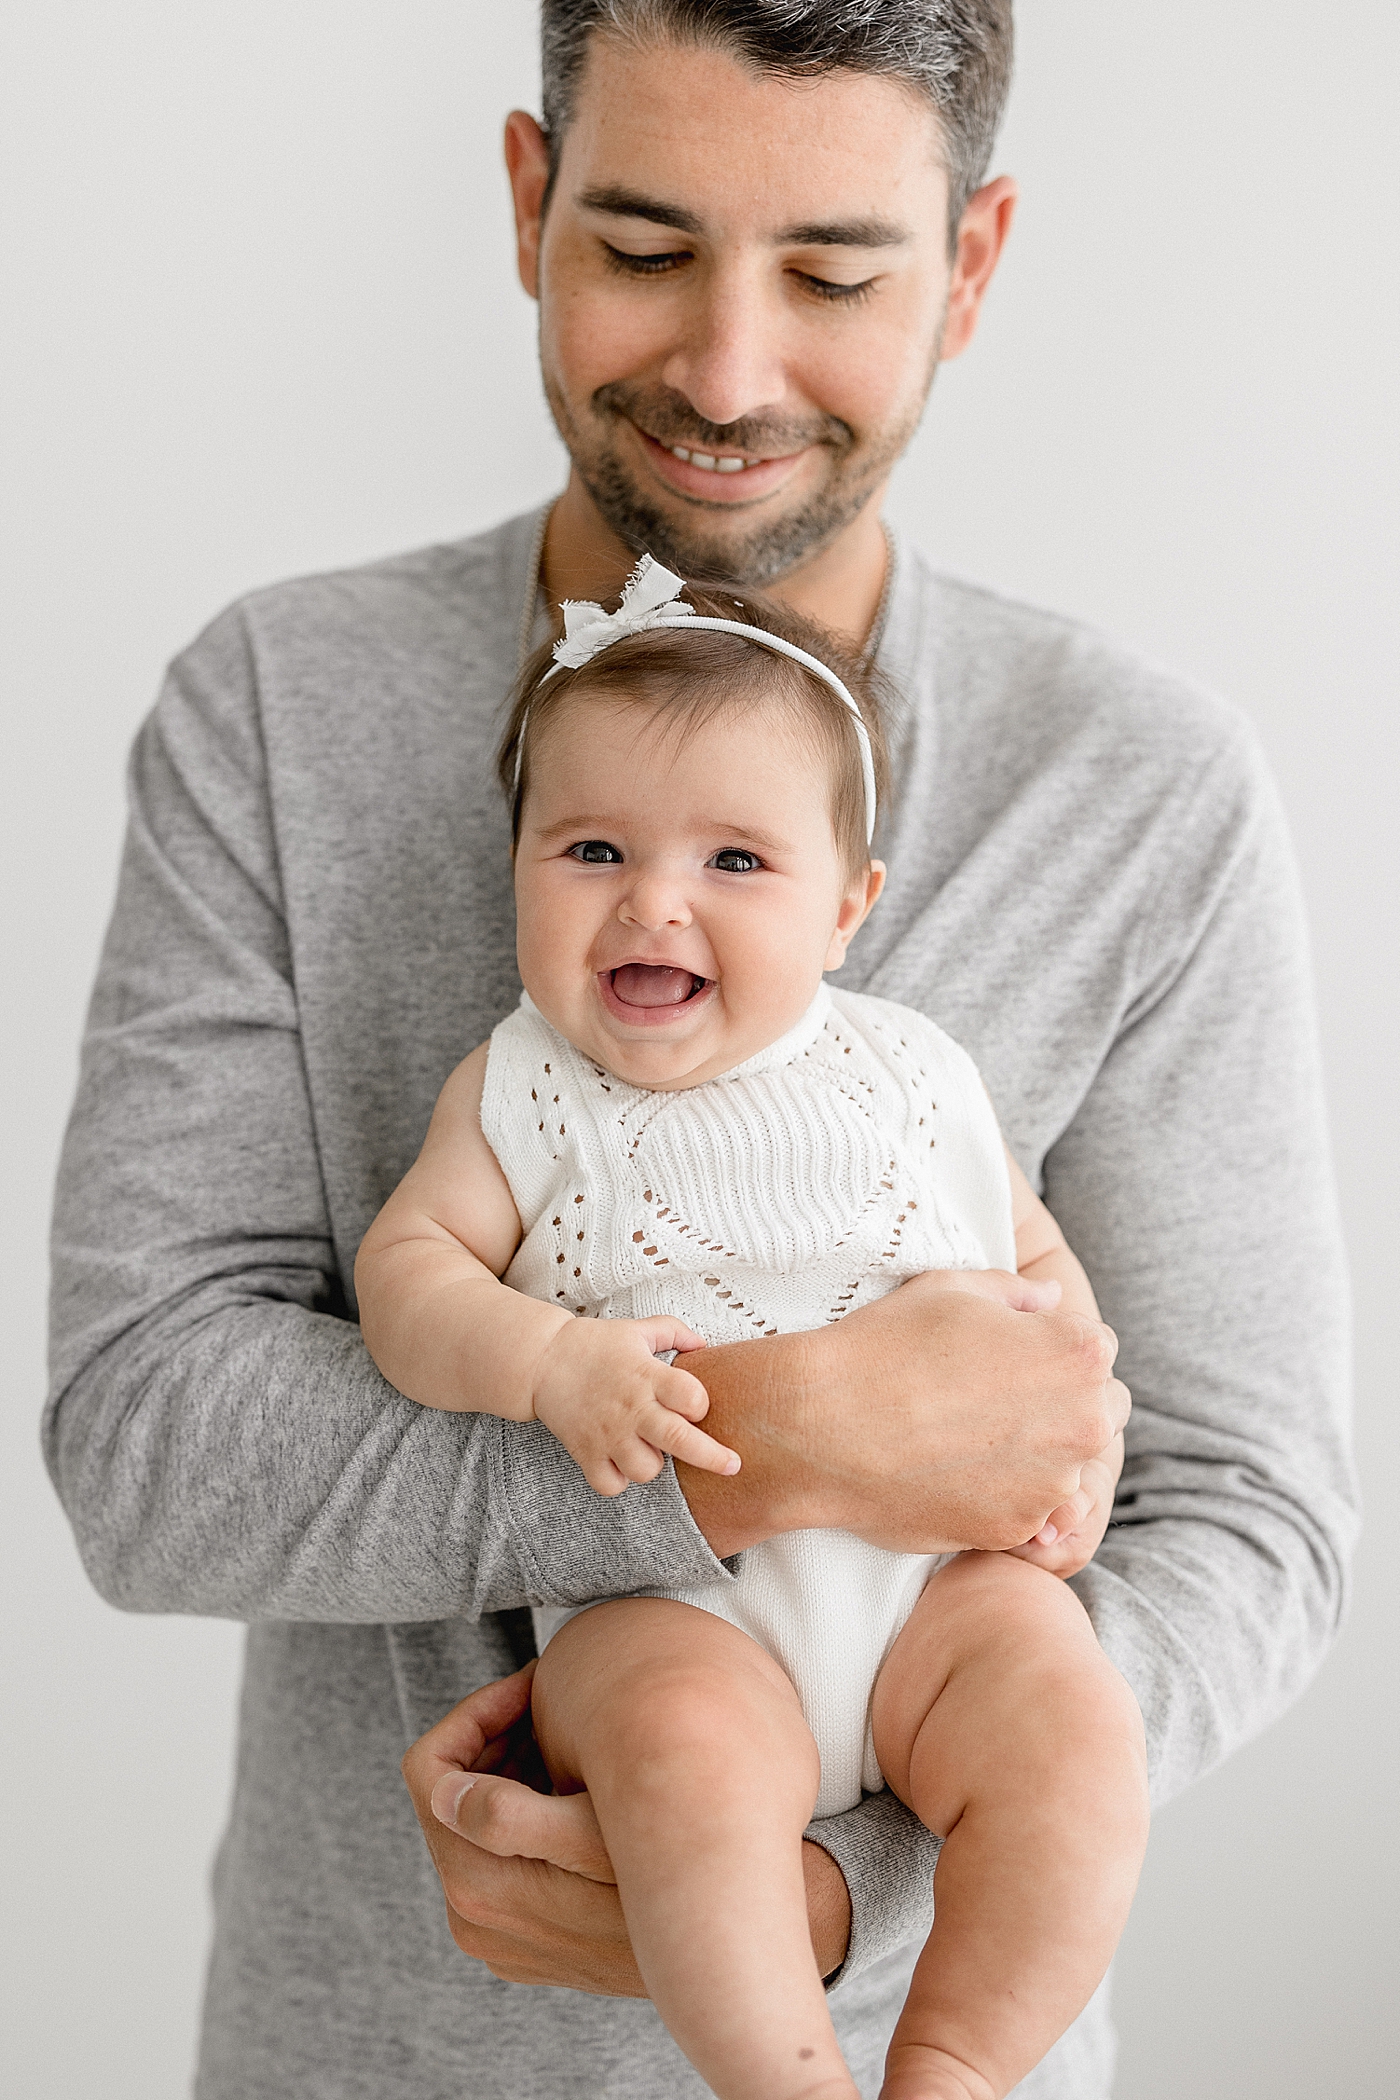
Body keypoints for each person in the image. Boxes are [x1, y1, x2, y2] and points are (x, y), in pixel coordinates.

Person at [44, 6, 1354, 2098]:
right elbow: (151, 1452)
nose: (730, 373)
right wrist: (797, 1438)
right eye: (643, 248)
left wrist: (844, 1892)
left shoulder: (1143, 792)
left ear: (975, 261)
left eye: (833, 274)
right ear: (526, 201)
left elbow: (1242, 1517)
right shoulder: (278, 711)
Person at [355, 560, 1150, 2100]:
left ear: (848, 905)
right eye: (591, 848)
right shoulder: (523, 1089)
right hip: (673, 1607)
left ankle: (961, 2068)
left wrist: (1083, 1428)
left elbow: (1035, 1270)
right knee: (684, 1775)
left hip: (940, 1599)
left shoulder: (920, 1073)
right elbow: (411, 1276)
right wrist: (544, 1361)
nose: (654, 898)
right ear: (515, 862)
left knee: (1072, 1736)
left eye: (735, 858)